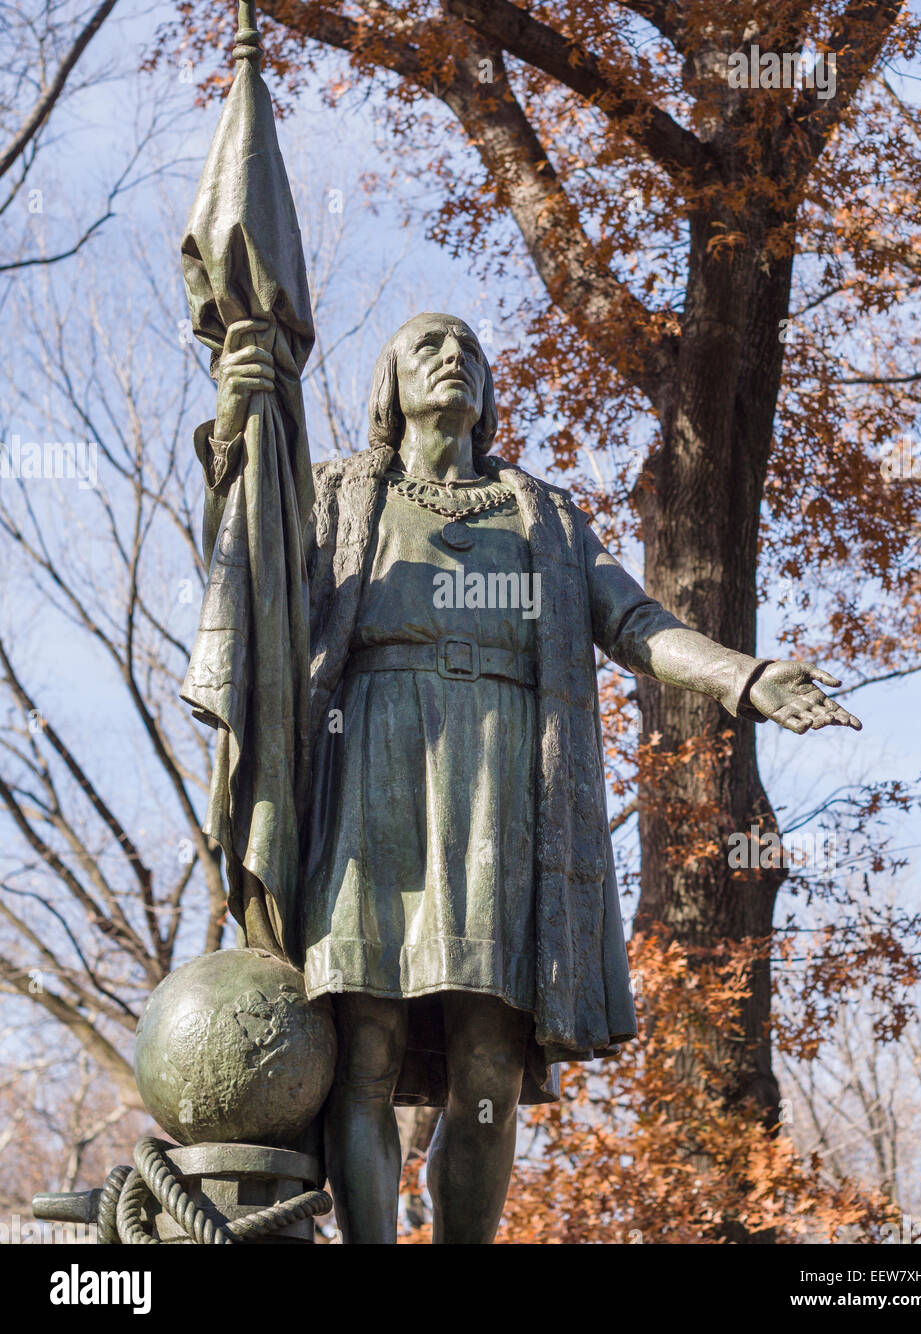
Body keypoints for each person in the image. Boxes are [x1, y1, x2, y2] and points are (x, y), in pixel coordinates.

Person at [196, 310, 860, 1244]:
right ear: (387, 382)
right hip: (373, 761)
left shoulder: (539, 513)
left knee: (487, 1059)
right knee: (365, 1052)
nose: (450, 358)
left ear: (488, 390)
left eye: (467, 348)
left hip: (504, 783)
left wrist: (743, 678)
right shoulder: (340, 493)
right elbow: (245, 572)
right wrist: (242, 423)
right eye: (427, 345)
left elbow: (635, 624)